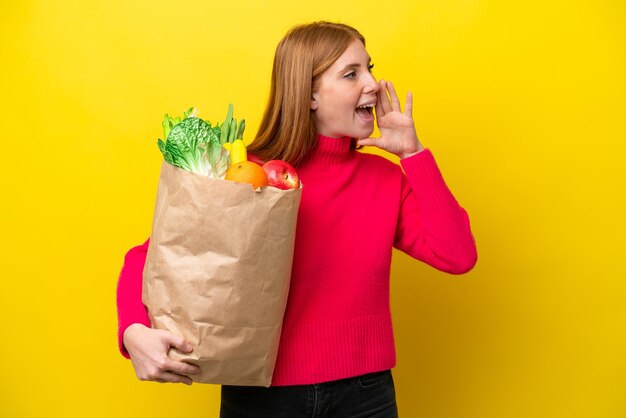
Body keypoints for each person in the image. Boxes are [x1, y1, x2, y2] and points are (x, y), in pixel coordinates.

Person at [117, 21, 478, 417]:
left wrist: (413, 154)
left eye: (370, 68)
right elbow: (153, 257)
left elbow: (457, 255)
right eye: (352, 73)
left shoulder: (386, 179)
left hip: (365, 395)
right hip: (261, 394)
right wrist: (133, 330)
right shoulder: (248, 173)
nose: (373, 84)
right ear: (309, 94)